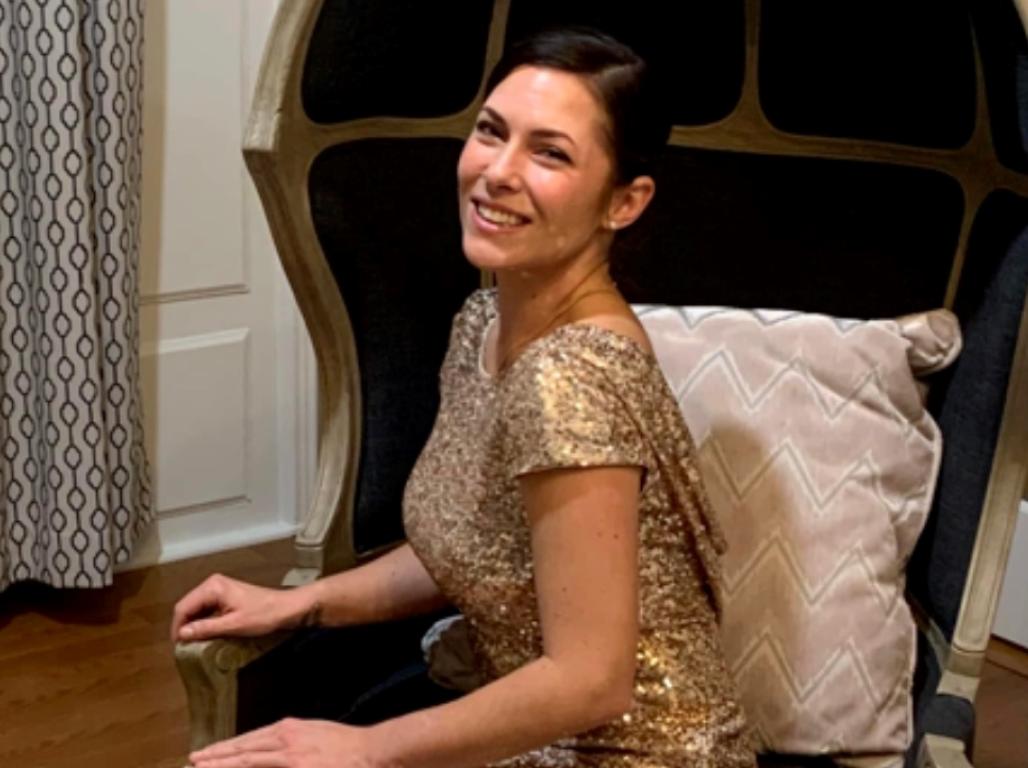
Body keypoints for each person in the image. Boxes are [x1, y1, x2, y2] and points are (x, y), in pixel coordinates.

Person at [175, 27, 755, 768]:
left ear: (625, 201)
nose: (497, 172)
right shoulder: (484, 321)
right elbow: (476, 548)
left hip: (626, 751)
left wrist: (364, 748)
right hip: (536, 726)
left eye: (549, 153)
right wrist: (305, 601)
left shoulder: (570, 379)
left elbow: (591, 681)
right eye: (491, 132)